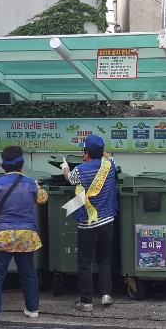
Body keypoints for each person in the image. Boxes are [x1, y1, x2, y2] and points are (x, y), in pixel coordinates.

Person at [0, 145, 48, 328]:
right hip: (26, 237)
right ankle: (33, 309)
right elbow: (43, 198)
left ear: (3, 166)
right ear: (21, 164)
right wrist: (36, 185)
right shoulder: (31, 183)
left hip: (2, 237)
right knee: (28, 273)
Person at [61, 134, 117, 313]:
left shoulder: (79, 170)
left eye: (84, 150)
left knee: (85, 262)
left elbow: (69, 178)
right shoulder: (110, 165)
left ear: (86, 152)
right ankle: (106, 295)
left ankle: (86, 301)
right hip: (108, 221)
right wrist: (97, 153)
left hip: (88, 224)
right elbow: (107, 156)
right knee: (104, 259)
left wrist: (64, 166)